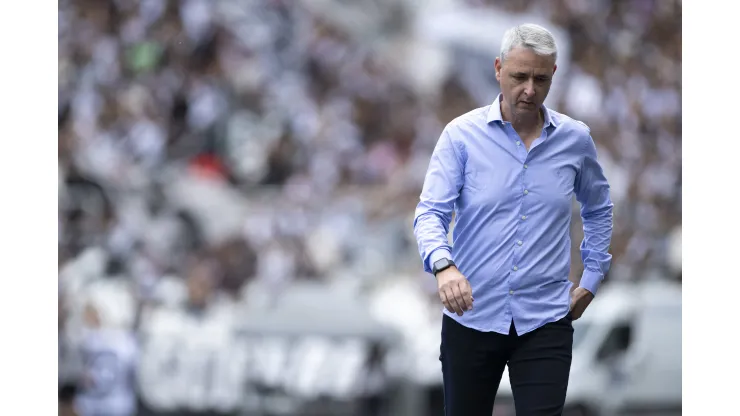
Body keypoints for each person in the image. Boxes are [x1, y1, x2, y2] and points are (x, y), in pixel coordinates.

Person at [413, 23, 613, 416]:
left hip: (545, 319)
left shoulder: (575, 140)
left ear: (554, 75)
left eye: (540, 79)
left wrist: (592, 277)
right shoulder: (460, 136)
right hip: (471, 316)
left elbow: (598, 207)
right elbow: (431, 212)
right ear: (498, 69)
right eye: (519, 77)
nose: (529, 90)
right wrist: (444, 267)